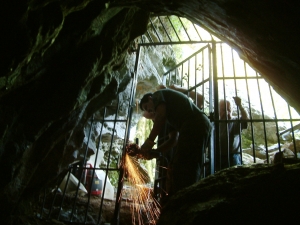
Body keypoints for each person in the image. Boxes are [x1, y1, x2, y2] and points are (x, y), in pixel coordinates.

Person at [139, 89, 212, 196]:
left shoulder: (157, 95)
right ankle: (184, 195)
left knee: (185, 166)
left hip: (196, 123)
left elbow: (160, 118)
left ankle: (186, 197)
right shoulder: (170, 116)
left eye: (146, 107)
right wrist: (155, 152)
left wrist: (149, 142)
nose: (149, 111)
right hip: (196, 126)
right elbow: (173, 139)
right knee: (184, 165)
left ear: (150, 98)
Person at [218, 96, 249, 169]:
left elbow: (246, 119)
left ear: (232, 110)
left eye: (228, 109)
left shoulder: (235, 121)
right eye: (223, 109)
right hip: (217, 156)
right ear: (218, 110)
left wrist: (240, 106)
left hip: (232, 156)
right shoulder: (214, 122)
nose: (226, 112)